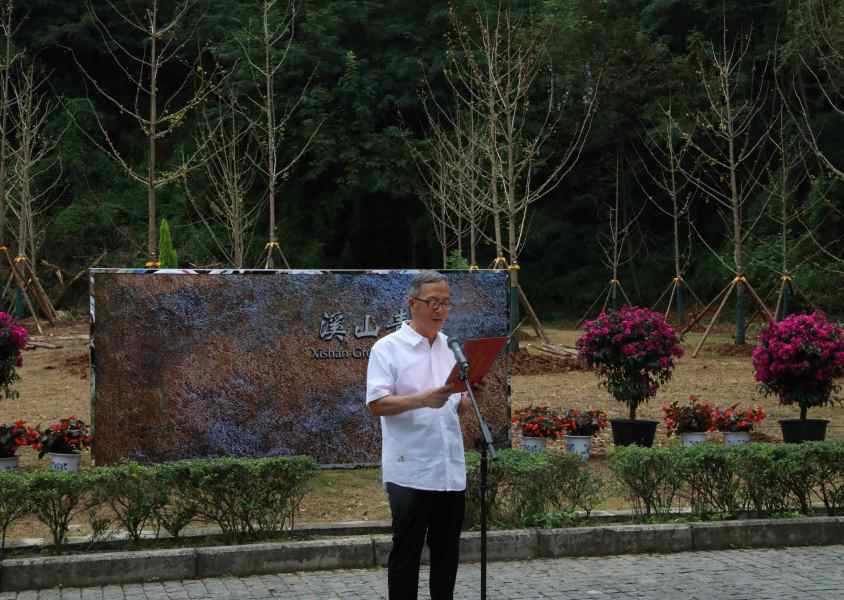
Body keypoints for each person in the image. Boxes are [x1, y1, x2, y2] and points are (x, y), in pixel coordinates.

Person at [366, 270, 474, 600]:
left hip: (449, 468)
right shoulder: (387, 348)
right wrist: (422, 400)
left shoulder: (451, 347)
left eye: (446, 303)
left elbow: (454, 407)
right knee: (407, 553)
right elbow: (377, 403)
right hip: (410, 470)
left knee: (447, 553)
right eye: (433, 302)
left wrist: (465, 401)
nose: (440, 310)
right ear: (413, 304)